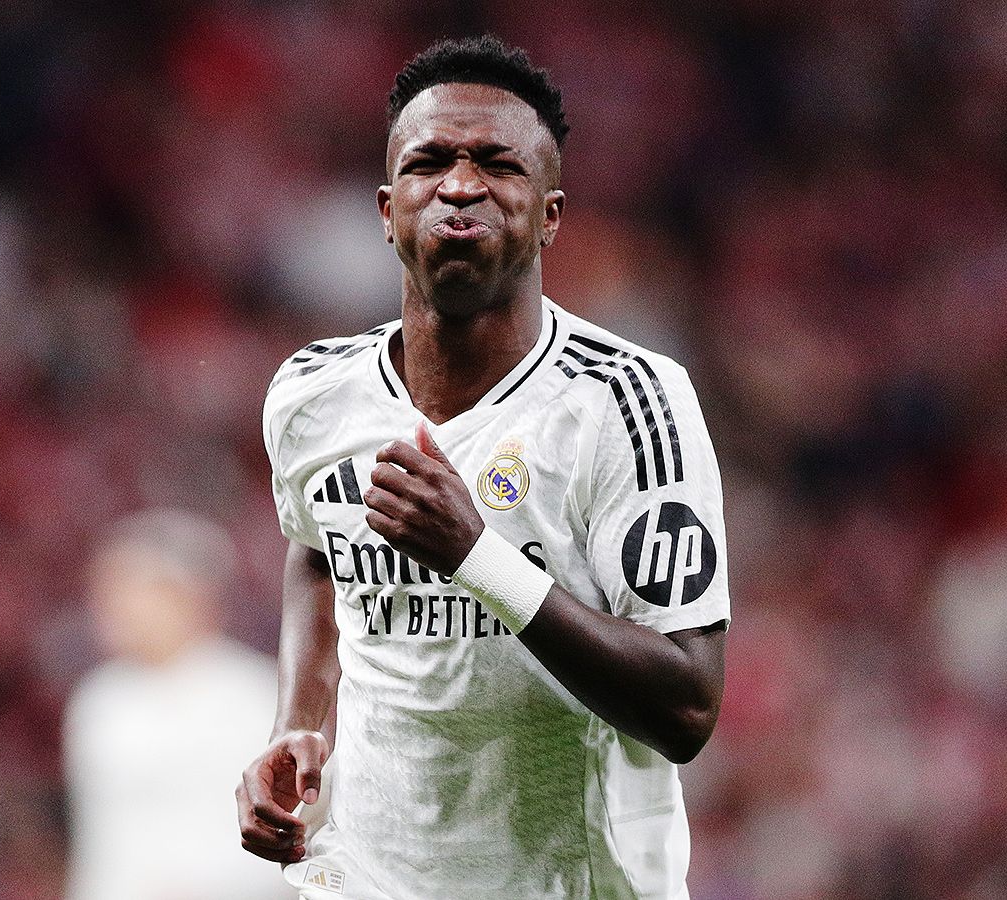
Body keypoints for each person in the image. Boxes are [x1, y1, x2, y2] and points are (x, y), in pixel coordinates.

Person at [238, 36, 731, 900]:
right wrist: (297, 723)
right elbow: (317, 552)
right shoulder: (313, 395)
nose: (461, 185)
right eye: (430, 162)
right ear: (387, 210)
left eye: (498, 165)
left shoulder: (627, 402)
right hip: (367, 878)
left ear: (549, 216)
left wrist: (476, 557)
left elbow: (687, 704)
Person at [66, 510, 292, 899]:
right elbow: (97, 843)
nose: (114, 610)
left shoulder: (255, 696)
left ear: (187, 595)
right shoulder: (98, 703)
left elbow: (284, 834)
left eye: (132, 591)